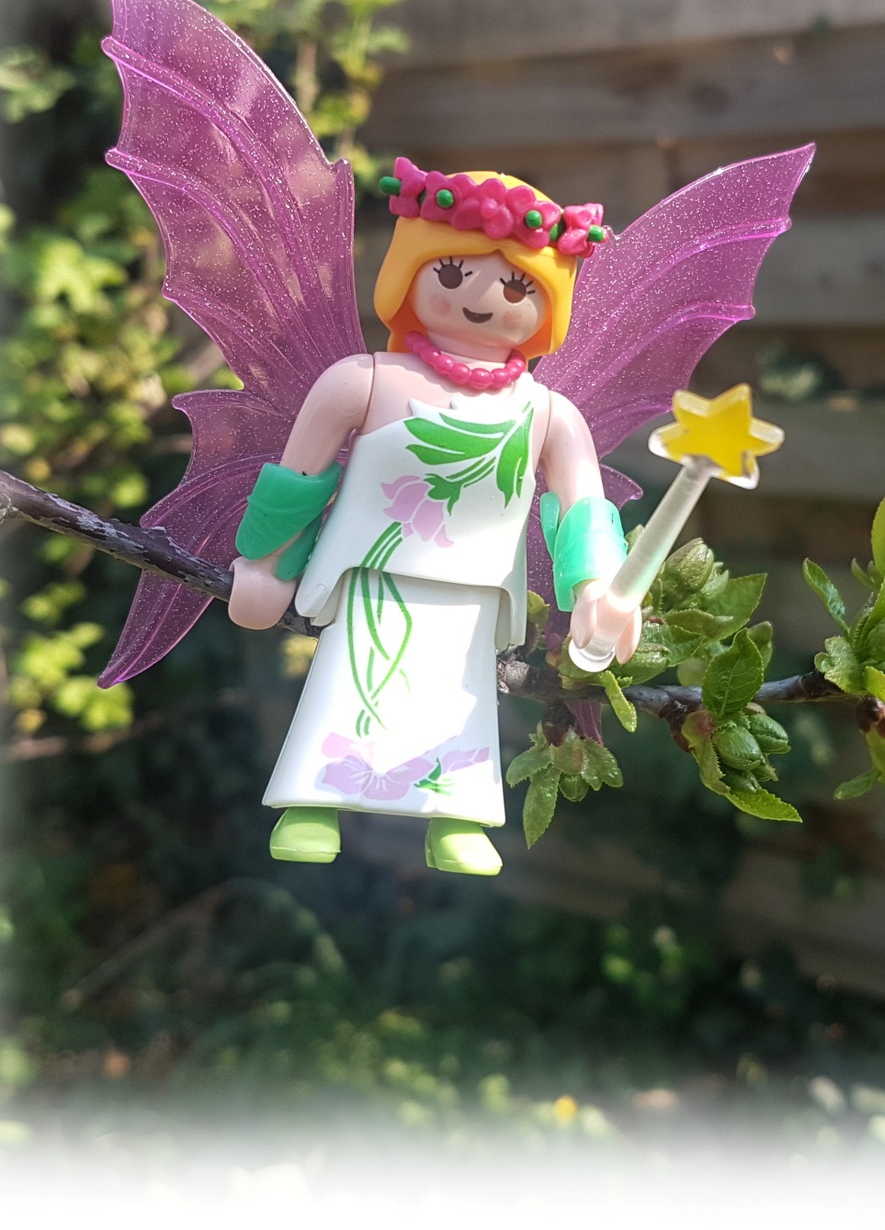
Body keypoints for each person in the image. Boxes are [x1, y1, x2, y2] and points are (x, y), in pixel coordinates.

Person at [226, 166, 641, 877]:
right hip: (371, 569)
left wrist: (597, 590)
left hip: (474, 587)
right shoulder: (363, 380)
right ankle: (312, 801)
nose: (483, 298)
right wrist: (266, 564)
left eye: (519, 287)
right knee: (353, 677)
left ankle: (454, 813)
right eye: (451, 272)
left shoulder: (547, 413)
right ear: (407, 273)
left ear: (549, 305)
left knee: (458, 696)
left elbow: (581, 511)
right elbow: (300, 482)